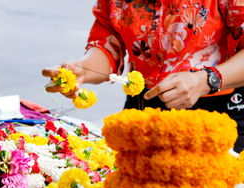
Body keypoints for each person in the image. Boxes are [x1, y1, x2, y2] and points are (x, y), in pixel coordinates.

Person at [42, 0, 244, 152]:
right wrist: (83, 69)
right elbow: (108, 42)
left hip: (218, 110)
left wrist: (206, 80)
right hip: (144, 106)